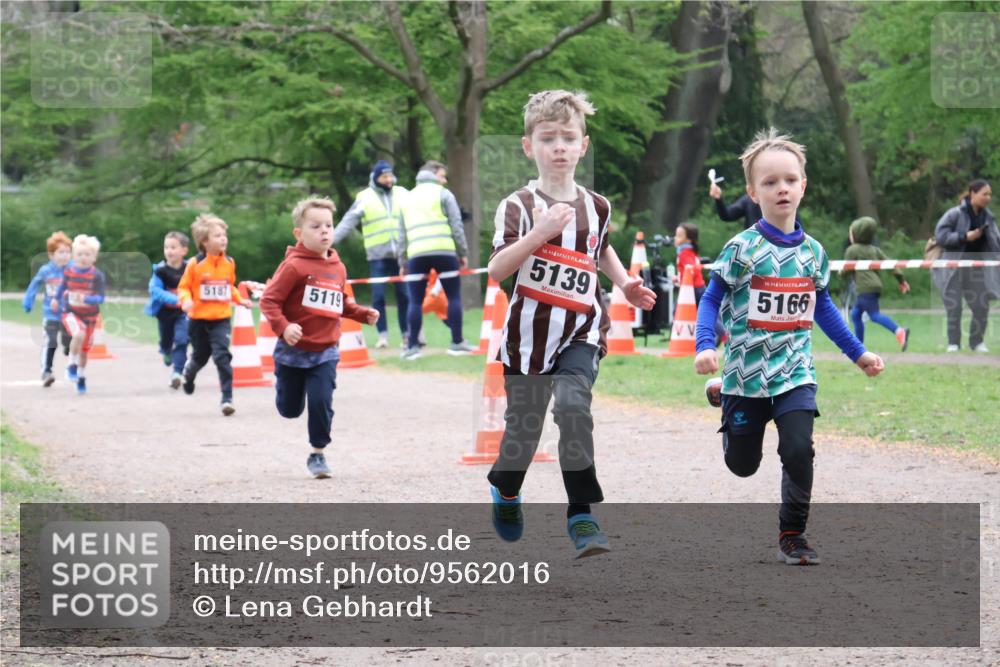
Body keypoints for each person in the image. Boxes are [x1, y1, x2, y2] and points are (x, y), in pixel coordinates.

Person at [694, 128, 885, 565]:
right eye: (769, 182)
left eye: (789, 180)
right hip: (745, 373)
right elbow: (711, 299)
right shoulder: (741, 248)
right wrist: (706, 345)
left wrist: (859, 354)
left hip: (795, 371)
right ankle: (723, 396)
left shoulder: (814, 254)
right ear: (752, 192)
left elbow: (826, 311)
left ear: (803, 185)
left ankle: (793, 533)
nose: (781, 188)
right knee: (742, 465)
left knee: (798, 448)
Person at [486, 90, 656, 558]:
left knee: (573, 409)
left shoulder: (597, 206)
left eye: (568, 137)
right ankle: (505, 488)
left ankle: (582, 514)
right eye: (548, 138)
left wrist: (624, 284)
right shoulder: (517, 206)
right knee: (523, 433)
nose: (559, 146)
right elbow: (498, 270)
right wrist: (539, 235)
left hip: (581, 329)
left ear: (584, 145)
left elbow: (599, 248)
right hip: (527, 340)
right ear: (529, 146)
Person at [260, 197, 380, 479]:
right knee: (289, 409)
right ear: (299, 234)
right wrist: (284, 327)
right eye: (316, 226)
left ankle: (318, 453)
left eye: (328, 225)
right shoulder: (293, 267)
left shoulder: (338, 267)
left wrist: (363, 314)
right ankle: (287, 396)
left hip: (325, 350)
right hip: (292, 352)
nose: (324, 231)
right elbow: (269, 301)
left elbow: (340, 303)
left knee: (320, 401)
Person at [397, 160, 475, 360]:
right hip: (444, 251)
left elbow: (401, 234)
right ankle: (457, 342)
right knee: (454, 297)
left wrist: (402, 261)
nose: (445, 179)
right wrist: (463, 252)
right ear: (432, 174)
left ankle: (412, 347)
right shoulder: (443, 193)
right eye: (442, 175)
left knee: (415, 301)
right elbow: (456, 225)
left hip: (416, 254)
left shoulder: (405, 199)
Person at [333, 160, 410, 349]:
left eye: (390, 175)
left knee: (404, 296)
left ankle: (407, 336)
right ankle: (382, 336)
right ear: (376, 178)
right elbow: (348, 221)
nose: (389, 179)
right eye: (384, 176)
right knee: (378, 296)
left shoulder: (403, 193)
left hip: (401, 256)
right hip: (377, 257)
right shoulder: (364, 197)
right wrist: (329, 241)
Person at [178, 213, 247, 416]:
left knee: (222, 357)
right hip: (198, 319)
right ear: (204, 242)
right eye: (217, 236)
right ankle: (189, 374)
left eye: (224, 234)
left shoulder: (229, 262)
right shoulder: (195, 264)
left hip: (221, 319)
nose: (223, 239)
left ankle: (227, 399)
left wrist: (239, 299)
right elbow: (183, 287)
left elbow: (229, 286)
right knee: (201, 357)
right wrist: (186, 300)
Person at [933, 179, 999, 352]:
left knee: (981, 306)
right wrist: (963, 236)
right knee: (954, 306)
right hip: (953, 268)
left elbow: (995, 242)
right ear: (972, 194)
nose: (988, 198)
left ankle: (976, 342)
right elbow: (941, 235)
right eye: (984, 194)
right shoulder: (954, 214)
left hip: (976, 270)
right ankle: (953, 343)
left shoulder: (989, 217)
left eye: (989, 194)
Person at [841, 216, 911, 349]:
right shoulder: (874, 249)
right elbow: (891, 264)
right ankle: (857, 347)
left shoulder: (852, 250)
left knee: (874, 315)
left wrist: (840, 273)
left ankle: (899, 331)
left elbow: (846, 269)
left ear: (856, 234)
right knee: (856, 314)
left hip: (865, 288)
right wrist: (901, 280)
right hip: (875, 286)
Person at [51, 234, 107, 395]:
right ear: (74, 256)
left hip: (89, 316)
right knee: (78, 334)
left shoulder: (97, 275)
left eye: (87, 254)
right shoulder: (69, 271)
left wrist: (86, 298)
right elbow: (62, 287)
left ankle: (81, 375)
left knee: (84, 350)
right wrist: (56, 299)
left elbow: (101, 298)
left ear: (94, 257)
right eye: (79, 254)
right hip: (70, 312)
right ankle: (71, 365)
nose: (83, 258)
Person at [23, 231, 73, 386]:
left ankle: (69, 350)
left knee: (70, 340)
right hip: (51, 313)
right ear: (51, 255)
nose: (65, 255)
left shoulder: (73, 269)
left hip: (69, 314)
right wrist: (28, 301)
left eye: (67, 252)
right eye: (60, 252)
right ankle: (46, 372)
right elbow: (35, 285)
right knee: (51, 342)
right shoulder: (46, 270)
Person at [144, 231, 191, 388]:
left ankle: (177, 372)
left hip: (182, 313)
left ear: (184, 250)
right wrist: (177, 299)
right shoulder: (160, 270)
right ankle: (165, 350)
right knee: (166, 340)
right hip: (165, 312)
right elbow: (155, 291)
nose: (169, 251)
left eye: (173, 247)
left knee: (182, 339)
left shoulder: (189, 268)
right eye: (166, 247)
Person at [674, 222, 724, 342]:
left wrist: (684, 280)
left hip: (694, 289)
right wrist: (680, 278)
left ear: (688, 240)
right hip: (698, 287)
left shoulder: (684, 253)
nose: (675, 238)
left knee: (706, 314)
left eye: (679, 236)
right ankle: (721, 335)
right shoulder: (689, 252)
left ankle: (724, 335)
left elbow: (691, 270)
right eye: (676, 235)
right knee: (710, 313)